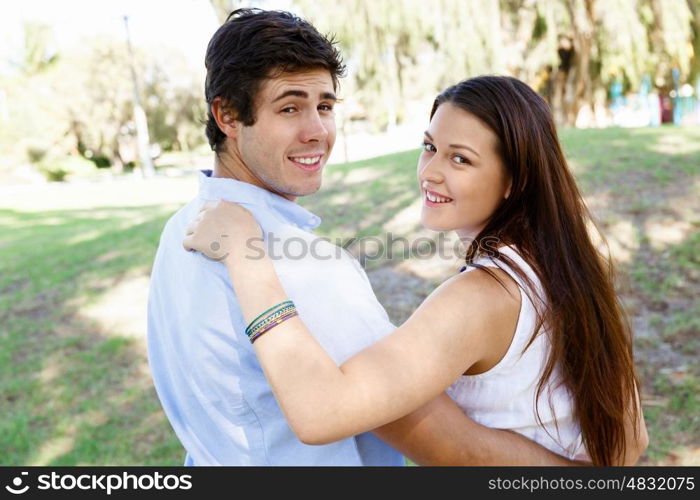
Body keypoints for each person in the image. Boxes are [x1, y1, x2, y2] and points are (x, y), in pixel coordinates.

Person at [148, 9, 577, 465]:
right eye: (289, 107)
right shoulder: (302, 266)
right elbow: (445, 443)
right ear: (228, 114)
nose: (317, 132)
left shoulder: (180, 229)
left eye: (325, 106)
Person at [184, 75, 649, 466]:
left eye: (460, 158)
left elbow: (319, 414)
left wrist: (246, 255)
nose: (430, 171)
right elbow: (631, 442)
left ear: (515, 181)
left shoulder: (483, 297)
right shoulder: (566, 265)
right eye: (430, 147)